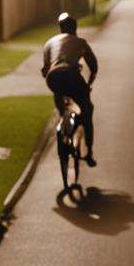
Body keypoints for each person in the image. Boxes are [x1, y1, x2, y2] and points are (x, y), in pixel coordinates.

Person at [41, 12, 98, 166]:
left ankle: (61, 124)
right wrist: (88, 85)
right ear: (75, 29)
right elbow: (94, 67)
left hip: (53, 77)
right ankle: (89, 153)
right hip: (72, 75)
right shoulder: (80, 42)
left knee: (59, 93)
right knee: (87, 110)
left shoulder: (50, 42)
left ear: (61, 29)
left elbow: (45, 71)